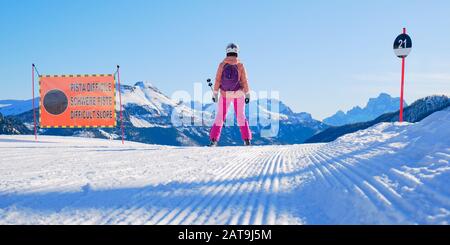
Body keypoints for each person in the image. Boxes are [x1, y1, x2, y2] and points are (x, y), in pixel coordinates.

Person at [209, 43, 252, 147]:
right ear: (237, 52)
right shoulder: (240, 65)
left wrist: (215, 93)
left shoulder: (222, 65)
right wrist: (247, 94)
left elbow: (218, 80)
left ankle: (214, 140)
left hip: (225, 94)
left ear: (227, 51)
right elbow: (244, 81)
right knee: (241, 116)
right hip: (239, 94)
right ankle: (247, 140)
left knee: (220, 116)